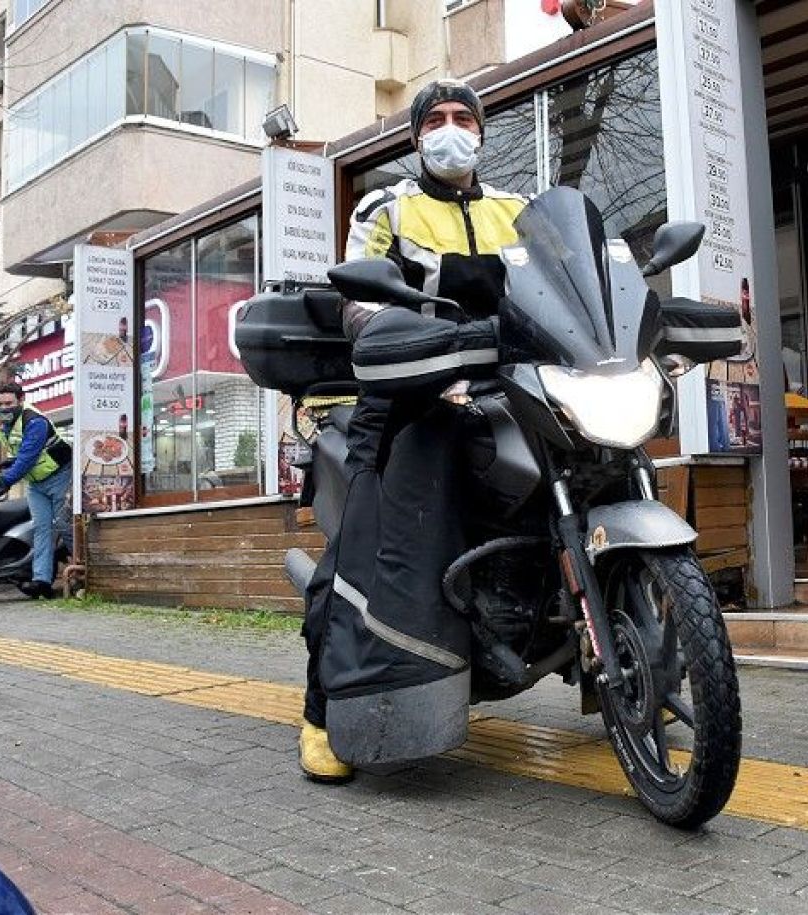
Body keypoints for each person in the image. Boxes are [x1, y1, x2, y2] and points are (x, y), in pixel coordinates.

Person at [298, 78, 526, 782]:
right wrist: (391, 337)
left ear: (482, 133)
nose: (452, 128)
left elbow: (570, 279)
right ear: (417, 135)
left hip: (507, 385)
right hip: (407, 390)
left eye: (465, 117)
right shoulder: (385, 206)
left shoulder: (519, 209)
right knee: (362, 534)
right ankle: (320, 712)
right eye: (437, 120)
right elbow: (358, 301)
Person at [0, 381, 74, 599]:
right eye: (0, 404)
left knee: (65, 525)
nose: (4, 408)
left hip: (61, 475)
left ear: (21, 400)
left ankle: (89, 572)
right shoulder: (2, 422)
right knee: (41, 529)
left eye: (9, 403)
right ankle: (42, 581)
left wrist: (5, 481)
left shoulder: (34, 421)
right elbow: (20, 452)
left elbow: (28, 457)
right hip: (36, 482)